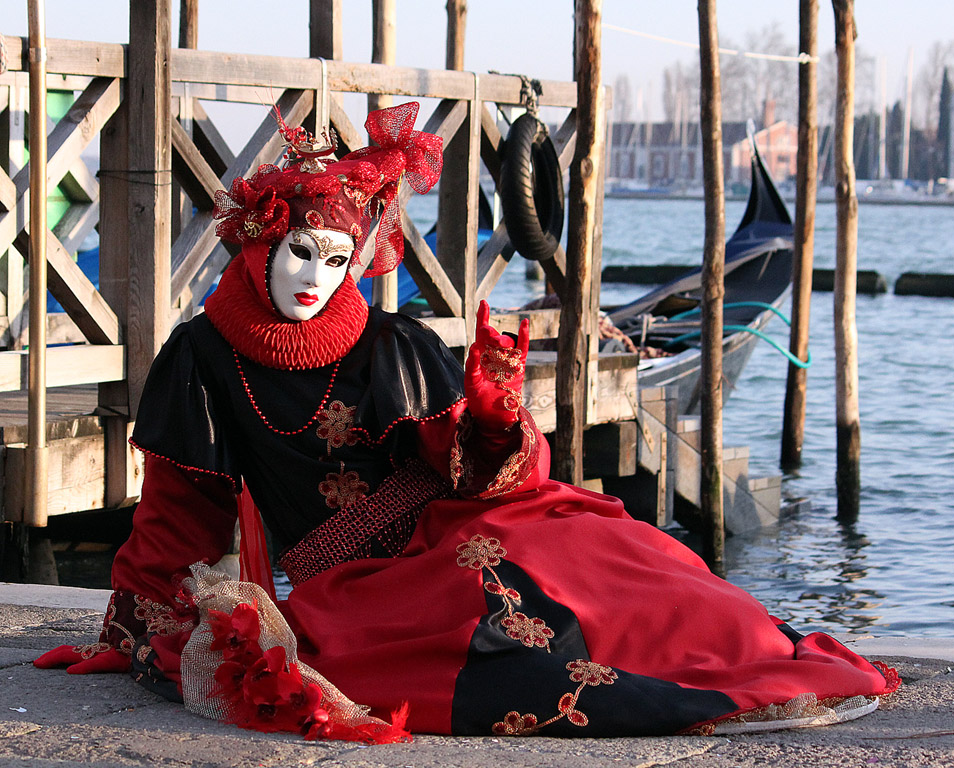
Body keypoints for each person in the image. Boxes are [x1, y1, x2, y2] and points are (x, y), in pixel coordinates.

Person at [35, 103, 899, 743]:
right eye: (301, 251)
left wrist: (494, 416)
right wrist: (135, 631)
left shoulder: (395, 344)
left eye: (338, 259)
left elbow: (482, 475)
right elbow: (178, 517)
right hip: (355, 587)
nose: (316, 276)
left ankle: (760, 658)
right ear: (262, 244)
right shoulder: (202, 357)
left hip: (467, 520)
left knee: (633, 564)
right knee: (506, 645)